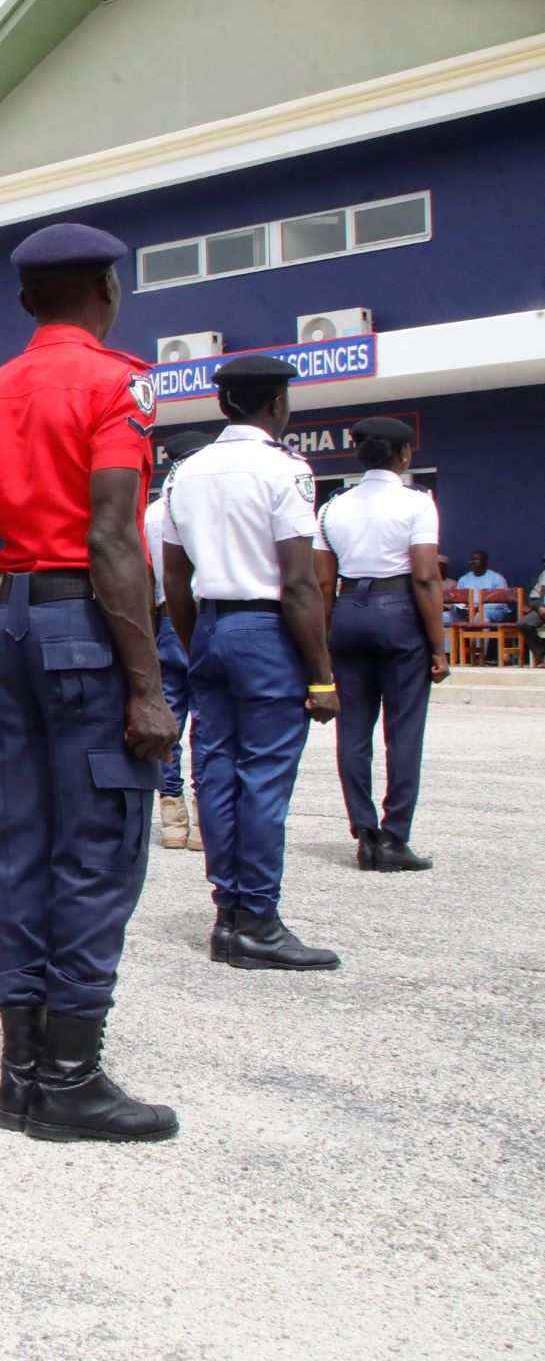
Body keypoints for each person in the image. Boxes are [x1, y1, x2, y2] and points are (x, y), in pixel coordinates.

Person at [0, 226, 179, 1144]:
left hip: (8, 618)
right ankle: (71, 1078)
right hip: (86, 622)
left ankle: (19, 1075)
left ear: (23, 302)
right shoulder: (115, 384)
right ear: (105, 291)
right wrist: (147, 686)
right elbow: (116, 537)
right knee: (96, 850)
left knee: (25, 848)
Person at [160, 353, 343, 974]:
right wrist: (320, 673)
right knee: (263, 779)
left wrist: (193, 642)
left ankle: (228, 917)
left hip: (209, 626)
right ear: (278, 406)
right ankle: (258, 919)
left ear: (222, 405)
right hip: (266, 631)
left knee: (216, 772)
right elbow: (299, 582)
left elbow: (174, 577)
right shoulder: (285, 469)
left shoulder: (186, 471)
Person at [312, 417, 446, 872]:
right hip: (398, 609)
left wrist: (324, 646)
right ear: (404, 455)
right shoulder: (417, 503)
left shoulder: (332, 509)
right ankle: (395, 837)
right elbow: (426, 576)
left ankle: (364, 834)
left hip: (348, 611)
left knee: (353, 732)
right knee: (403, 730)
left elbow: (323, 584)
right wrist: (440, 646)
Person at [145, 430, 213, 850]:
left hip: (164, 618)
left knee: (169, 720)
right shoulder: (205, 504)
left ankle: (172, 818)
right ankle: (207, 819)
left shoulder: (152, 511)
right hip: (203, 616)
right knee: (207, 722)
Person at [456, 549, 513, 624]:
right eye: (471, 560)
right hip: (468, 612)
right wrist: (461, 609)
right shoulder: (463, 579)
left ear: (485, 562)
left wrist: (478, 608)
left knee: (480, 616)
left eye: (476, 560)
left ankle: (479, 636)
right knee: (445, 616)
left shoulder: (497, 578)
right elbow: (457, 600)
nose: (473, 562)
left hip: (493, 611)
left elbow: (501, 603)